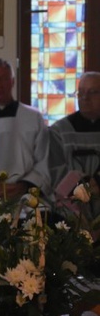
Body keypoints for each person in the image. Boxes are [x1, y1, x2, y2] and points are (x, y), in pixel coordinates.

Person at [0, 58, 52, 200]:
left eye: (3, 79)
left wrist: (24, 185)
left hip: (27, 196)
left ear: (12, 81)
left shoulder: (33, 117)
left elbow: (44, 161)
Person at [50, 72, 100, 214]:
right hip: (72, 210)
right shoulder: (58, 131)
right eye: (81, 92)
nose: (85, 98)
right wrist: (81, 186)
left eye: (92, 92)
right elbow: (54, 170)